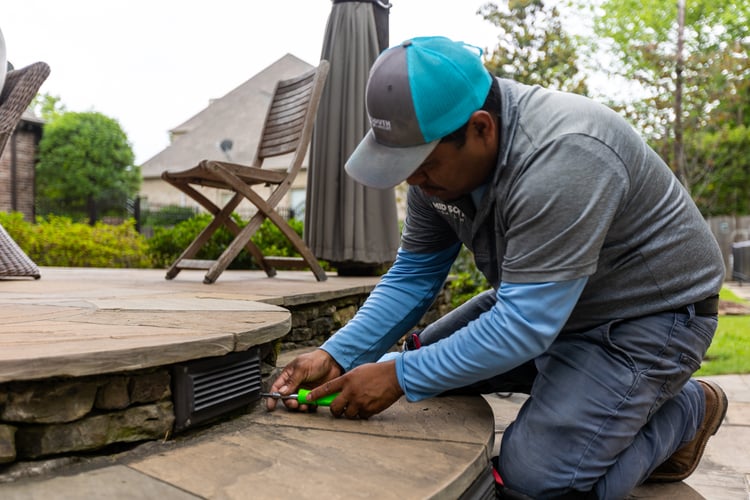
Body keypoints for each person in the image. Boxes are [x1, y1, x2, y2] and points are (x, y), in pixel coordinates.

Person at [266, 35, 728, 498]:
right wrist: (338, 354)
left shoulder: (566, 155)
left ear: (482, 128)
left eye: (422, 165)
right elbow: (413, 276)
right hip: (548, 304)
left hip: (648, 317)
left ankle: (685, 410)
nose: (413, 181)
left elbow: (524, 324)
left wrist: (400, 377)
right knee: (411, 356)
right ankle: (575, 385)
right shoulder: (438, 176)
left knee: (536, 485)